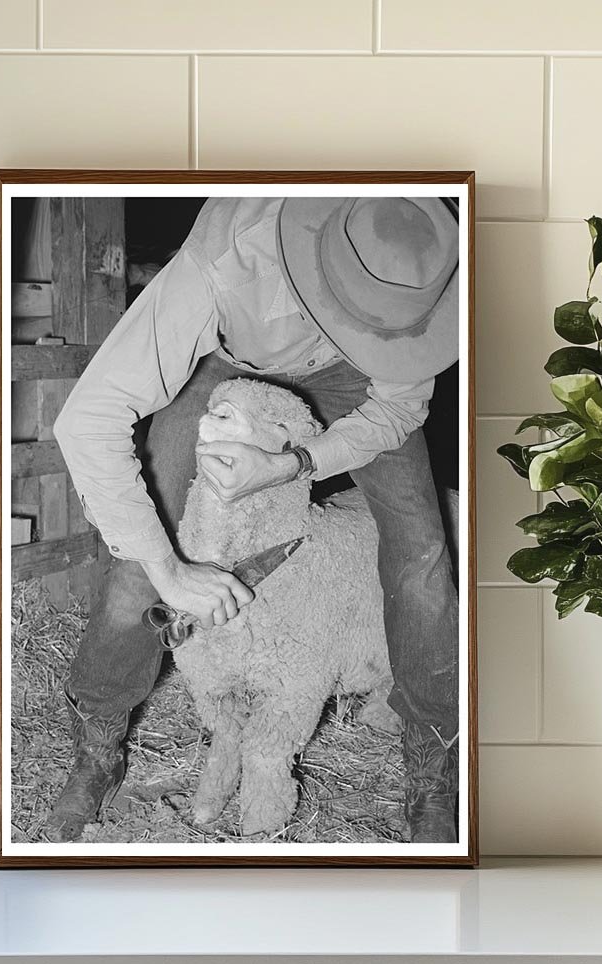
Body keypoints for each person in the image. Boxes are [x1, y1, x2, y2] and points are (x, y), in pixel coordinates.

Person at [49, 196, 460, 843]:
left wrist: (297, 462)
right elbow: (88, 418)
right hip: (230, 358)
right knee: (139, 565)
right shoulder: (224, 260)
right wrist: (169, 569)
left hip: (362, 384)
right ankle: (98, 746)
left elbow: (399, 412)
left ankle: (434, 763)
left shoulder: (421, 274)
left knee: (424, 558)